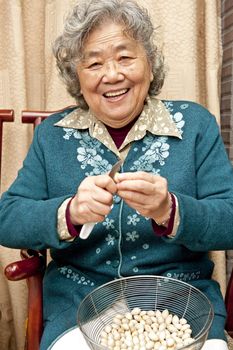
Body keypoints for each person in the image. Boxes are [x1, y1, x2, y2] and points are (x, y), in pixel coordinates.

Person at [0, 0, 233, 349]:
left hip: (179, 301)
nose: (112, 75)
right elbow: (9, 218)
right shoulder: (52, 134)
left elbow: (229, 220)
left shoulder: (196, 125)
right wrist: (70, 212)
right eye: (94, 63)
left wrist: (170, 210)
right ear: (76, 79)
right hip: (81, 303)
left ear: (150, 65)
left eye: (125, 57)